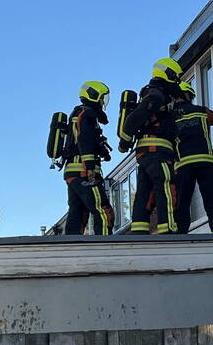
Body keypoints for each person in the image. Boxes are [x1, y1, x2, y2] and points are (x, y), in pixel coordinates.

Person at [119, 58, 183, 233]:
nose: (177, 82)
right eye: (175, 77)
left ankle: (139, 231)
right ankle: (168, 229)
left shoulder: (152, 93)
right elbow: (134, 119)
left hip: (146, 153)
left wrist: (125, 141)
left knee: (144, 194)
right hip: (157, 150)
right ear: (167, 75)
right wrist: (124, 139)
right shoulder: (156, 95)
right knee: (166, 187)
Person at [173, 81, 213, 233]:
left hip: (182, 167)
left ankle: (180, 238)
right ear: (189, 96)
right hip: (205, 163)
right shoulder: (201, 111)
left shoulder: (169, 117)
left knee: (182, 204)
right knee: (212, 200)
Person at [62, 81, 115, 235]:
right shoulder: (88, 113)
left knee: (77, 212)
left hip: (72, 171)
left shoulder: (77, 113)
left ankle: (70, 249)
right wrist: (90, 168)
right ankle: (106, 249)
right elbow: (85, 140)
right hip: (84, 171)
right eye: (101, 98)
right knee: (103, 210)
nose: (102, 102)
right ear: (94, 95)